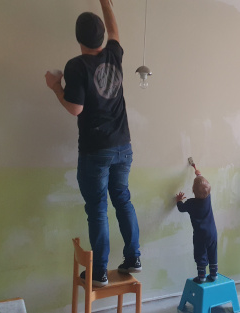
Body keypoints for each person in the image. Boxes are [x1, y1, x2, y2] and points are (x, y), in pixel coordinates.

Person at [45, 0, 141, 287]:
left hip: (95, 151)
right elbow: (115, 30)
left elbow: (75, 108)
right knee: (122, 199)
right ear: (102, 37)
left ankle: (98, 272)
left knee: (98, 208)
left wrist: (55, 87)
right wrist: (105, 3)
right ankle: (134, 257)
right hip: (123, 146)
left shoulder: (76, 66)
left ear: (79, 40)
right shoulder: (114, 54)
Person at [176, 170, 218, 283]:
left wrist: (179, 200)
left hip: (200, 235)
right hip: (213, 233)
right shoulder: (208, 199)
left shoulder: (190, 203)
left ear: (193, 190)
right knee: (212, 253)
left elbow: (181, 208)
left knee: (201, 255)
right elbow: (204, 187)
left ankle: (202, 276)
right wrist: (199, 175)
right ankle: (214, 275)